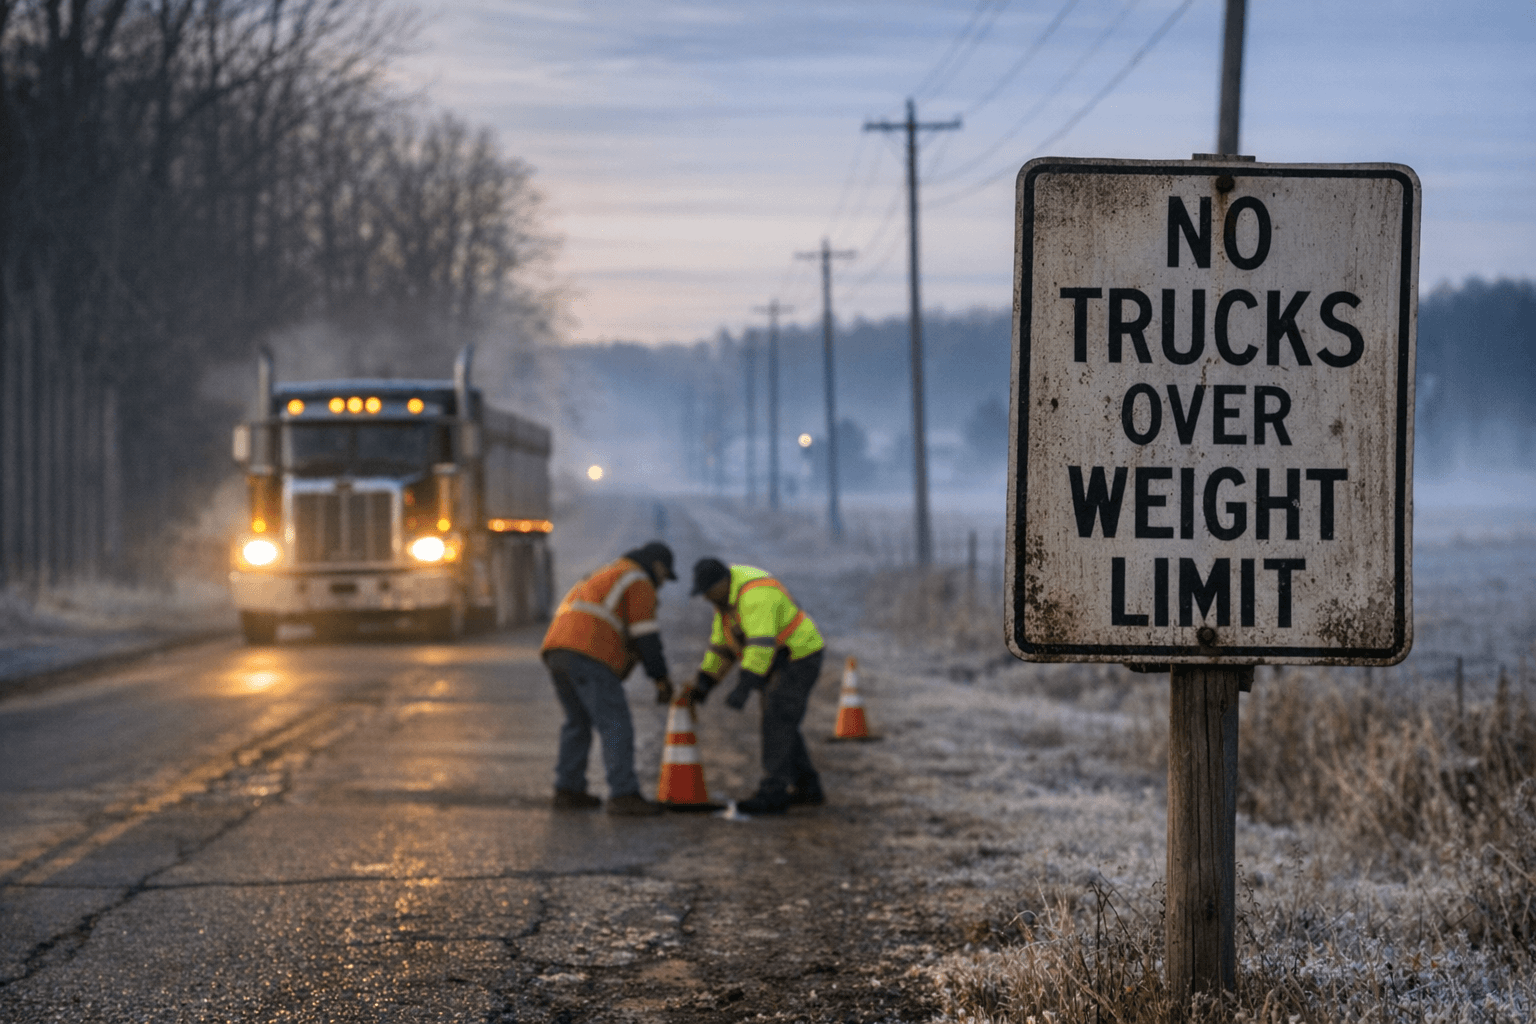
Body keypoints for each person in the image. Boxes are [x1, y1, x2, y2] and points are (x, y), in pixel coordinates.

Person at [541, 541, 679, 815]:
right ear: (657, 566)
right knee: (615, 723)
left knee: (577, 722)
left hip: (557, 650)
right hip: (588, 650)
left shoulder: (609, 572)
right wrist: (661, 679)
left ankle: (567, 789)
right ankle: (624, 794)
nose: (663, 584)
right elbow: (646, 637)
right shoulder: (638, 580)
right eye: (665, 576)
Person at [684, 557, 825, 814]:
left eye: (707, 591)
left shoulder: (755, 596)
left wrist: (744, 687)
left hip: (798, 655)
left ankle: (774, 792)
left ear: (722, 583)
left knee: (777, 718)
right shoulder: (725, 603)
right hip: (779, 658)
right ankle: (807, 786)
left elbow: (761, 646)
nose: (705, 598)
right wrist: (704, 683)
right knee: (782, 719)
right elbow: (722, 648)